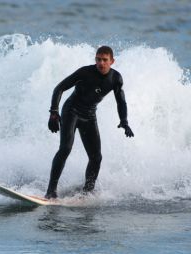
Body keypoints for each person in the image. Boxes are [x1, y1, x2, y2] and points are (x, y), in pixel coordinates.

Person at [45, 46, 134, 199]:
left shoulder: (115, 78)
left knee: (96, 157)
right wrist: (54, 112)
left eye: (105, 60)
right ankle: (51, 191)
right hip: (71, 111)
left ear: (112, 61)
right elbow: (59, 88)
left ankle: (88, 192)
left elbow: (121, 101)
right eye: (98, 59)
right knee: (65, 148)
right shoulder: (85, 72)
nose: (101, 63)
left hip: (89, 116)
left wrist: (124, 121)